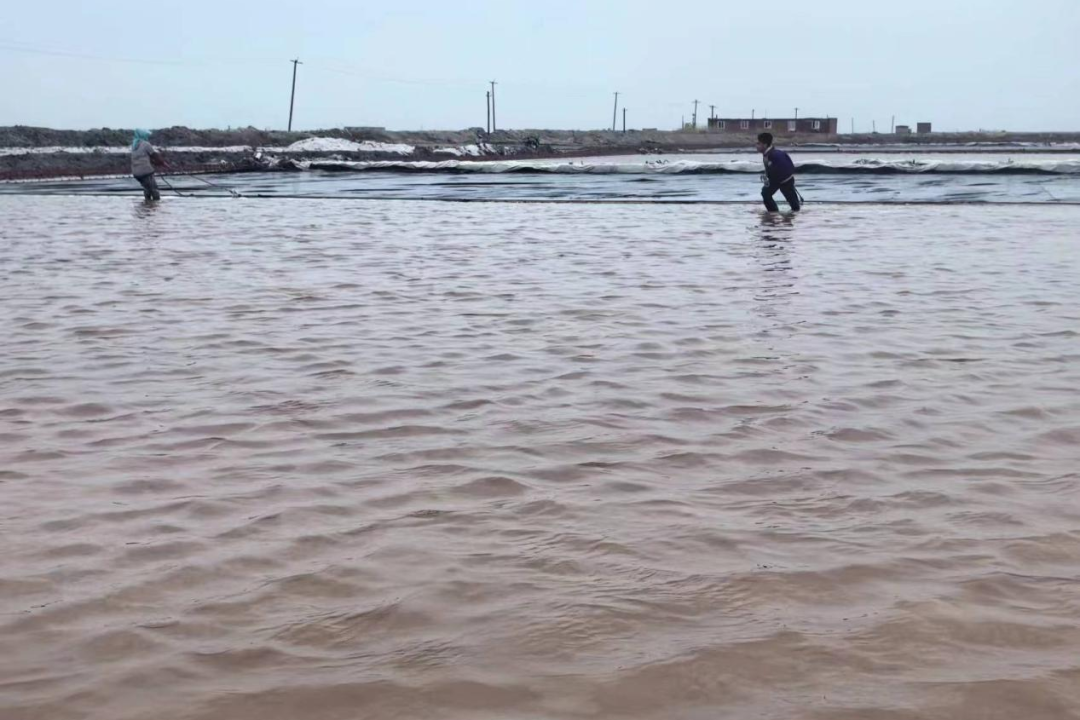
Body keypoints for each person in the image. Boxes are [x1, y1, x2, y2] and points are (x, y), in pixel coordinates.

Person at [756, 132, 800, 212]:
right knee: (765, 193)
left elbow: (786, 168)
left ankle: (773, 213)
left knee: (794, 206)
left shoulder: (774, 154)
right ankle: (773, 213)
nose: (756, 146)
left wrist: (772, 178)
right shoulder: (771, 153)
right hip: (782, 180)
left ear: (765, 145)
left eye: (759, 143)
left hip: (784, 181)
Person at [131, 129, 164, 200]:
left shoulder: (134, 145)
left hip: (136, 173)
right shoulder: (146, 144)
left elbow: (143, 157)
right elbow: (154, 155)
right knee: (154, 189)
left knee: (147, 188)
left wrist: (154, 162)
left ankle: (147, 205)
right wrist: (162, 163)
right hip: (145, 172)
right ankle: (156, 205)